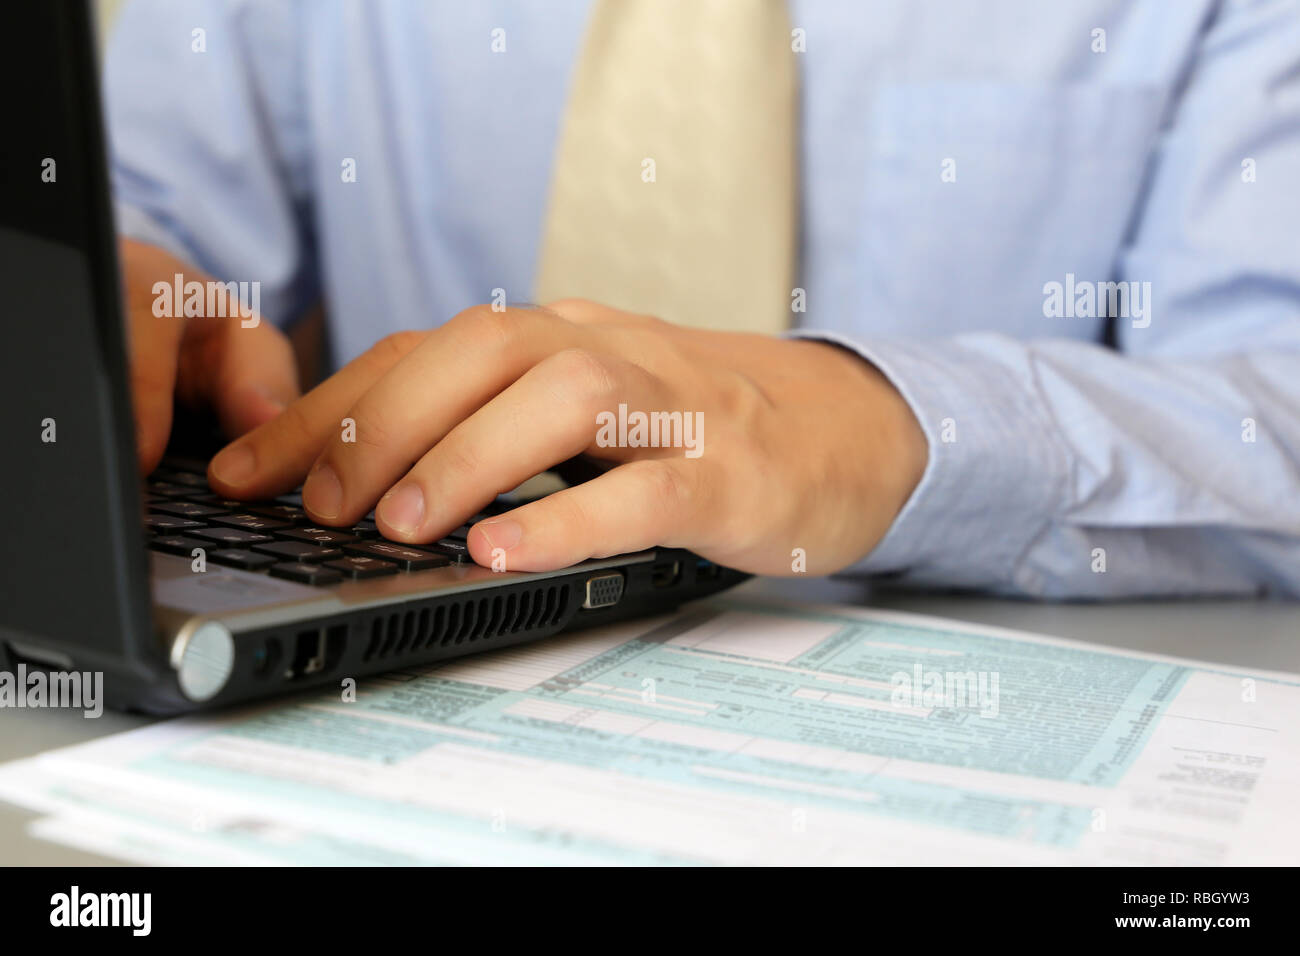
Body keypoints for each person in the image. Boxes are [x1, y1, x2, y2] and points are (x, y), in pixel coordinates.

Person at [103, 0, 1300, 597]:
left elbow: (1274, 411)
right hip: (389, 686)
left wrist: (884, 427)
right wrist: (127, 289)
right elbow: (148, 215)